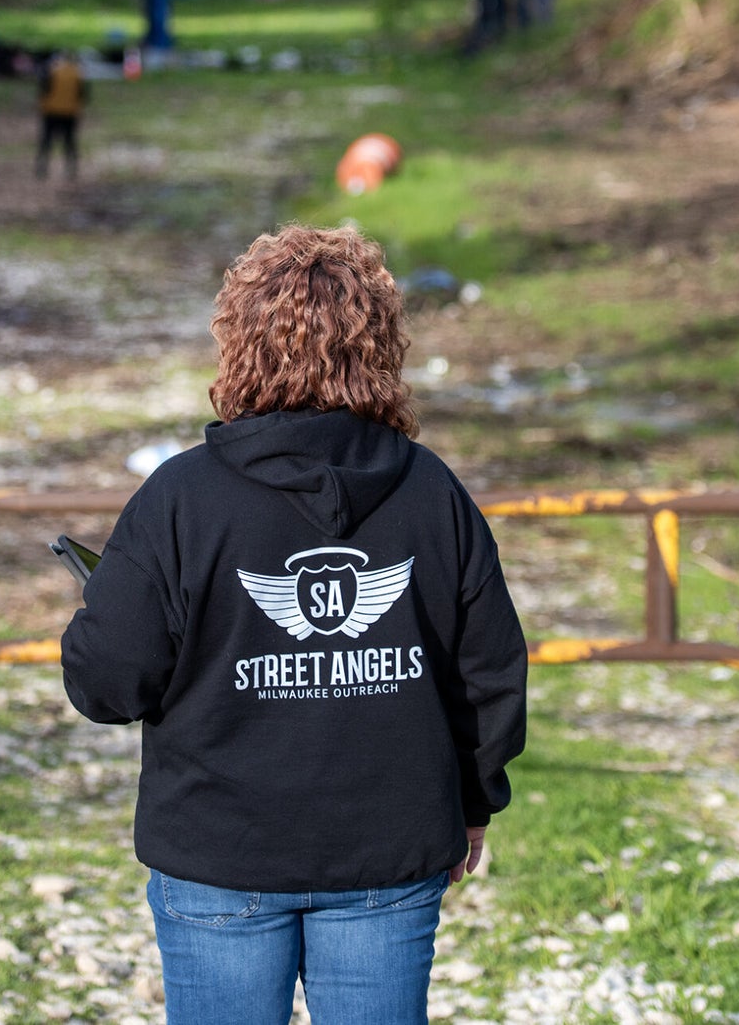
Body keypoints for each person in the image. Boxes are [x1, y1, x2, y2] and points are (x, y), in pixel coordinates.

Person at [61, 224, 528, 1025]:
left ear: (238, 344)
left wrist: (105, 608)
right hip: (388, 851)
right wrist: (475, 803)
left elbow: (106, 685)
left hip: (221, 851)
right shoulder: (432, 492)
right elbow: (488, 673)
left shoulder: (179, 499)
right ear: (379, 349)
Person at [35, 50, 88, 179]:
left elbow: (43, 90)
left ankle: (41, 168)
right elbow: (83, 94)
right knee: (70, 142)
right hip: (70, 112)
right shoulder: (78, 72)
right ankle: (72, 170)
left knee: (46, 140)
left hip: (51, 110)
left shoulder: (51, 70)